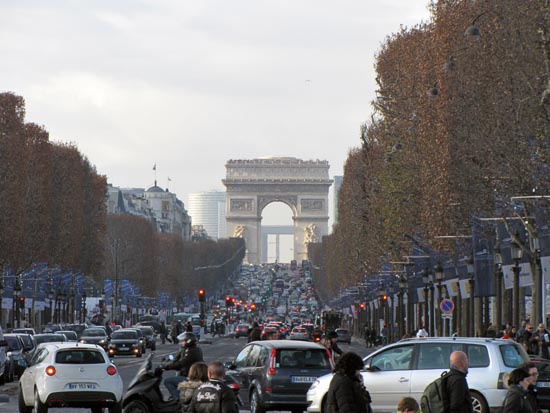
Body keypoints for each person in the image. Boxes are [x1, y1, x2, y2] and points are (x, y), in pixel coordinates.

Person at [163, 332, 204, 401]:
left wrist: (167, 367)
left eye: (183, 341)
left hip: (191, 377)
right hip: (189, 374)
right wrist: (168, 363)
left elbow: (182, 363)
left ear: (188, 341)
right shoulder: (188, 349)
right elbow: (177, 358)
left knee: (167, 381)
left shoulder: (192, 351)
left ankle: (177, 401)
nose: (181, 342)